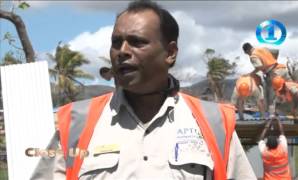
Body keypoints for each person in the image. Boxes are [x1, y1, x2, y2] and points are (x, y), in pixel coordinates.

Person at [31, 1, 256, 179]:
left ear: (170, 53)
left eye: (137, 42)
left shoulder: (214, 122)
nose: (122, 51)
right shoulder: (74, 123)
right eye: (116, 42)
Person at [242, 42, 291, 113]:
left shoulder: (253, 56)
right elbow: (276, 52)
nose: (248, 55)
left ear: (246, 51)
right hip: (282, 69)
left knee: (270, 99)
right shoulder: (263, 49)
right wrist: (272, 61)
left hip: (274, 74)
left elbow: (259, 67)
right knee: (292, 89)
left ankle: (270, 118)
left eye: (247, 53)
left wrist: (250, 74)